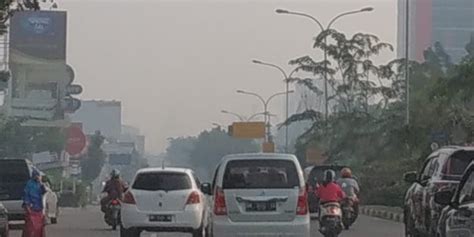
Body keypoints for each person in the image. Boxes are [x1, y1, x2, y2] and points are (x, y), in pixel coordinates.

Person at [23, 169, 47, 237]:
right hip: (31, 208)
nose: (37, 177)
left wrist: (41, 183)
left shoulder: (39, 184)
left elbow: (44, 192)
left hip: (39, 208)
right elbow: (26, 195)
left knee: (39, 227)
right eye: (36, 175)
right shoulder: (29, 184)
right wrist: (27, 205)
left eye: (38, 176)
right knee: (31, 227)